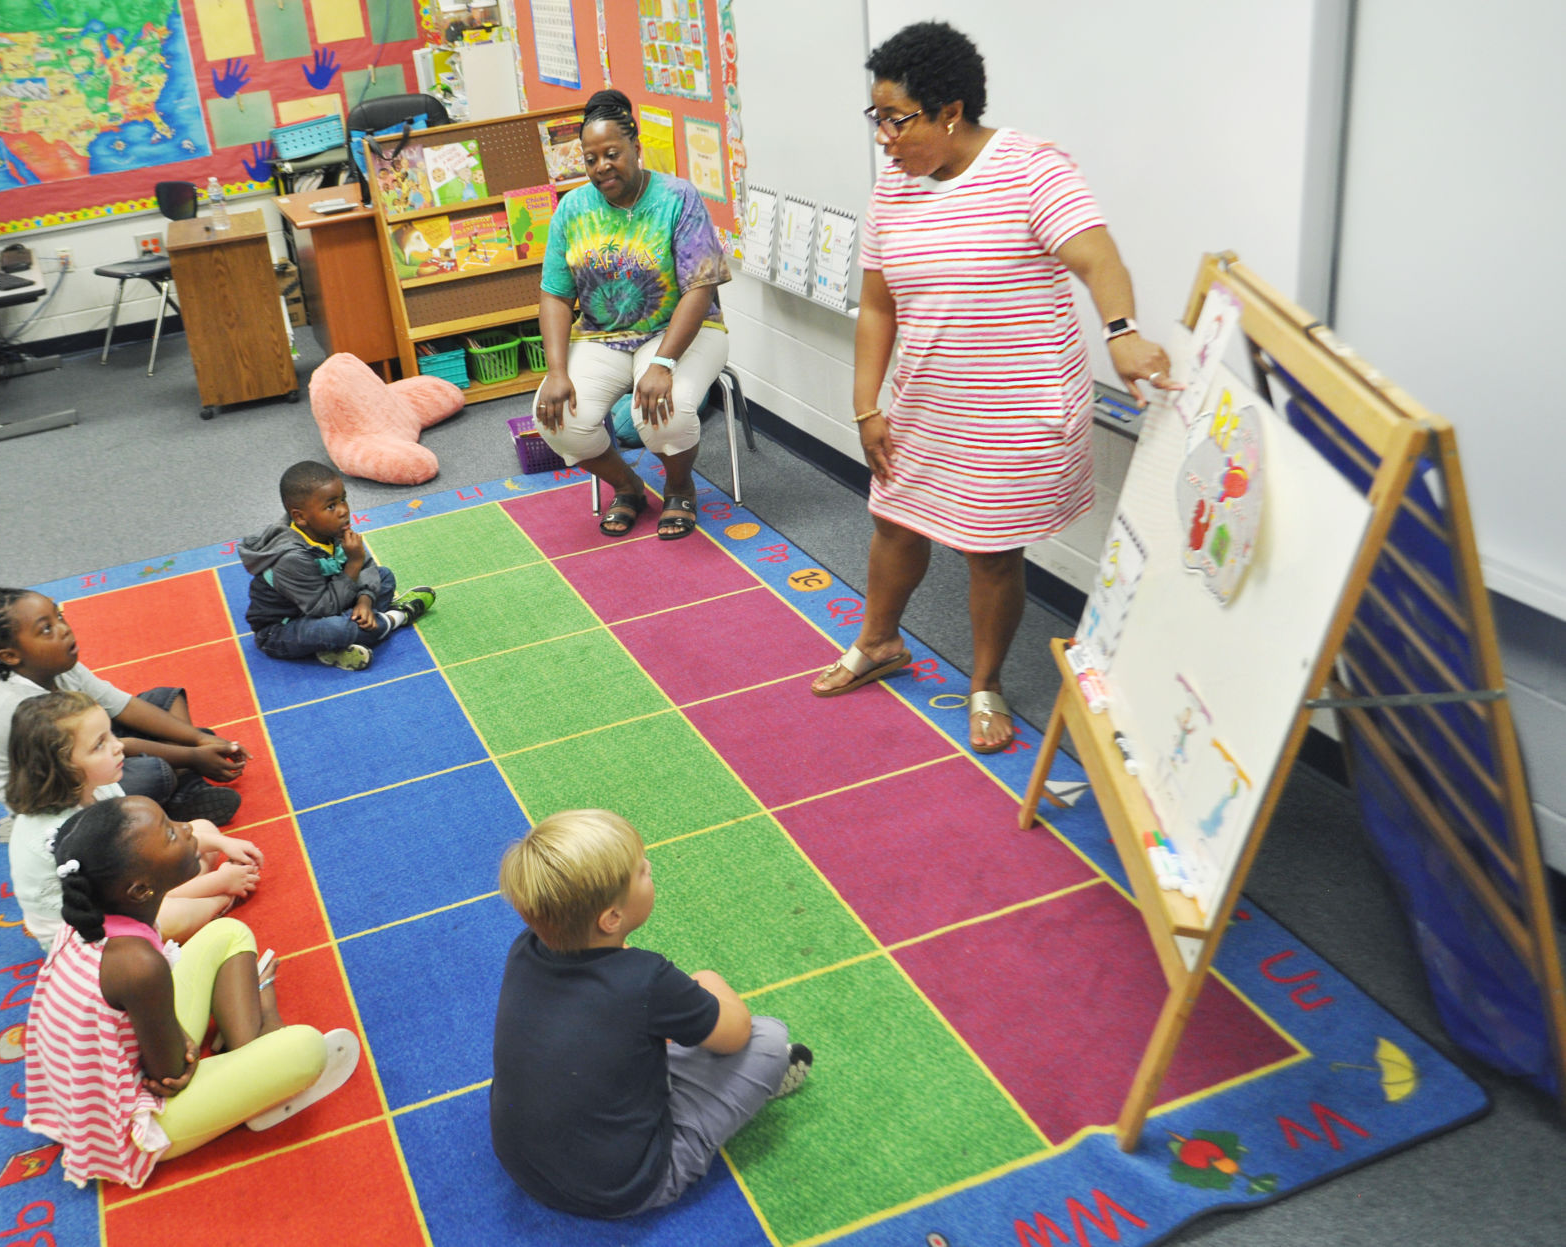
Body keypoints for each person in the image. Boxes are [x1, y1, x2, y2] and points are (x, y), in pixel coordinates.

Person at [810, 22, 1178, 754]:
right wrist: (865, 403)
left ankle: (985, 682)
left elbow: (1095, 254)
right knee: (893, 522)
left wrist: (1122, 329)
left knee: (991, 552)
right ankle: (878, 641)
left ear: (949, 111)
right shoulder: (894, 187)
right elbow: (878, 306)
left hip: (1012, 410)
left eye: (896, 119)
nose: (883, 137)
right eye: (875, 118)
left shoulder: (1030, 169)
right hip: (926, 404)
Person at [22, 796, 361, 1190]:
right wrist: (180, 1043)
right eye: (170, 833)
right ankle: (263, 1027)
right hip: (132, 1120)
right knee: (306, 1048)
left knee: (228, 933)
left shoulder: (98, 914)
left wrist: (170, 1033)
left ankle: (247, 1046)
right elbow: (170, 1073)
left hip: (115, 1063)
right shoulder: (136, 965)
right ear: (140, 889)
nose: (185, 829)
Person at [490, 809, 813, 1218]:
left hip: (524, 1163)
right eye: (641, 871)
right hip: (624, 1187)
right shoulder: (647, 980)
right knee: (768, 1040)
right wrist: (706, 979)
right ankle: (757, 1086)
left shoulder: (525, 947)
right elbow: (735, 1033)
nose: (650, 868)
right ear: (611, 919)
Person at [532, 89, 733, 541]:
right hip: (603, 337)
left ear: (637, 149)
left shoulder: (678, 197)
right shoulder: (572, 209)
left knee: (666, 410)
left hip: (683, 332)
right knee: (555, 416)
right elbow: (555, 297)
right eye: (589, 158)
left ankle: (680, 487)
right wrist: (557, 371)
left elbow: (701, 287)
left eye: (611, 154)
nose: (601, 166)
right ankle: (628, 486)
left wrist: (662, 363)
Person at [6, 692, 264, 950]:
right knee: (166, 918)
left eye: (110, 735)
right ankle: (219, 902)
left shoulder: (99, 786)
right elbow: (140, 897)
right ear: (64, 768)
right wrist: (221, 883)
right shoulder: (75, 832)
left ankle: (208, 893)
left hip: (127, 887)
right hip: (89, 929)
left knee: (204, 828)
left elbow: (151, 848)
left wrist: (219, 842)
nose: (118, 746)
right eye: (99, 744)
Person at [0, 587, 248, 822]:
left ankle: (184, 789)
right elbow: (114, 749)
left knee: (166, 699)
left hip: (94, 746)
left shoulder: (61, 667)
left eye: (59, 616)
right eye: (46, 629)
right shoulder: (28, 710)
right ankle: (175, 789)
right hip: (60, 794)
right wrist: (191, 756)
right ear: (10, 655)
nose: (64, 630)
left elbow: (122, 705)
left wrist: (198, 740)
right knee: (155, 773)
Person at [239, 461, 436, 671]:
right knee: (337, 628)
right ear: (300, 517)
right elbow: (323, 607)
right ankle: (397, 616)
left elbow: (367, 566)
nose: (343, 511)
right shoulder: (291, 558)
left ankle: (340, 643)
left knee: (384, 576)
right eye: (331, 506)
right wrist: (354, 562)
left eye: (343, 499)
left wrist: (365, 601)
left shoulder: (329, 528)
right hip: (282, 629)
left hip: (330, 600)